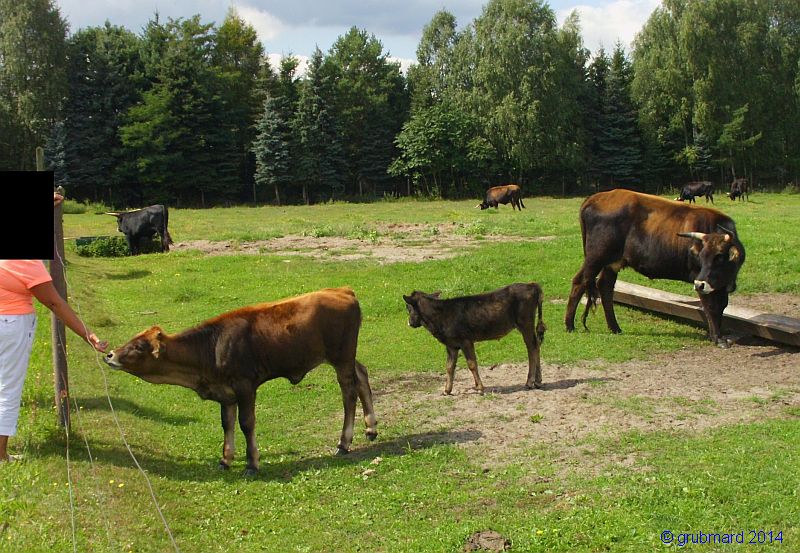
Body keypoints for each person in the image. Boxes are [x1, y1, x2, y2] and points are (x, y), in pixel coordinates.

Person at [0, 194, 108, 462]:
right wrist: (88, 334)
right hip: (11, 325)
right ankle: (0, 454)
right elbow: (55, 303)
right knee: (7, 388)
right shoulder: (26, 263)